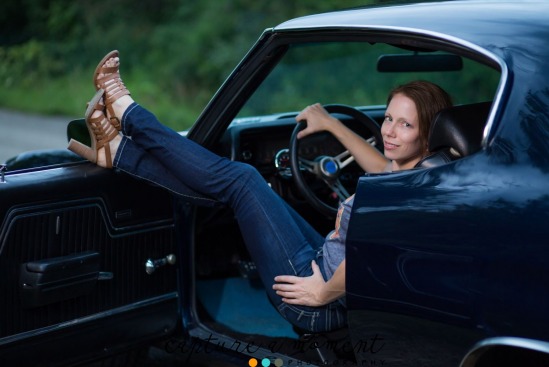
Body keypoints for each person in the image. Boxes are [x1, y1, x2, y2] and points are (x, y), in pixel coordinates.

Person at [68, 50, 452, 333]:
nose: (388, 131)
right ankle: (118, 152)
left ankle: (129, 112)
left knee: (241, 180)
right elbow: (383, 165)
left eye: (405, 126)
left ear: (430, 133)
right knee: (230, 189)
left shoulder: (411, 193)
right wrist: (332, 125)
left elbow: (374, 255)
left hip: (318, 299)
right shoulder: (428, 170)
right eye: (388, 118)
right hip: (327, 264)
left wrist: (323, 294)